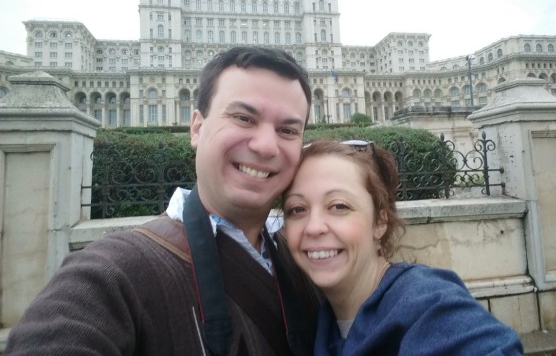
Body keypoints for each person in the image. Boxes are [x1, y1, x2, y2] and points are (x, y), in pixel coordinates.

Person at [6, 47, 321, 355]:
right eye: (243, 118)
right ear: (197, 128)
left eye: (287, 130)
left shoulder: (309, 260)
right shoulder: (114, 273)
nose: (266, 146)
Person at [282, 139, 524, 355]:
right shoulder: (317, 324)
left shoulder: (426, 304)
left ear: (379, 222)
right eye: (297, 209)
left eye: (338, 206)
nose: (313, 227)